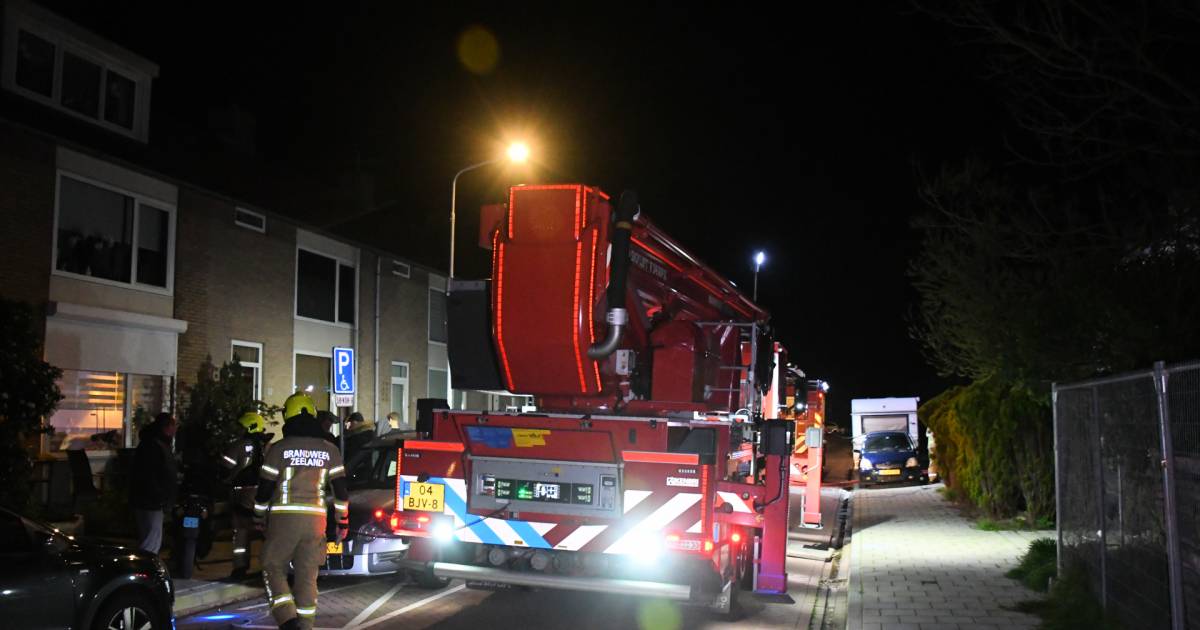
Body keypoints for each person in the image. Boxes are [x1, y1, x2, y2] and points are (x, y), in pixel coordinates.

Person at [254, 392, 349, 630]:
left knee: (272, 567)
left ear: (289, 416)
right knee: (308, 576)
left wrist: (257, 516)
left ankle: (287, 620)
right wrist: (343, 521)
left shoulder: (278, 449)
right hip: (316, 521)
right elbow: (341, 491)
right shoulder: (330, 450)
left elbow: (264, 489)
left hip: (283, 521)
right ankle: (305, 625)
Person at [220, 411, 273, 580]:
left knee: (241, 532)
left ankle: (240, 567)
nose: (239, 430)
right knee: (267, 530)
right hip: (265, 491)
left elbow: (224, 468)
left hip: (242, 492)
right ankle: (271, 566)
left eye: (241, 426)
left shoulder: (238, 446)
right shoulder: (268, 446)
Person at [131, 412, 178, 554]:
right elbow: (152, 474)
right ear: (167, 427)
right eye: (174, 425)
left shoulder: (151, 443)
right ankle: (146, 569)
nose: (176, 429)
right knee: (151, 541)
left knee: (148, 536)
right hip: (152, 501)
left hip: (145, 499)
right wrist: (160, 496)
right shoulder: (156, 445)